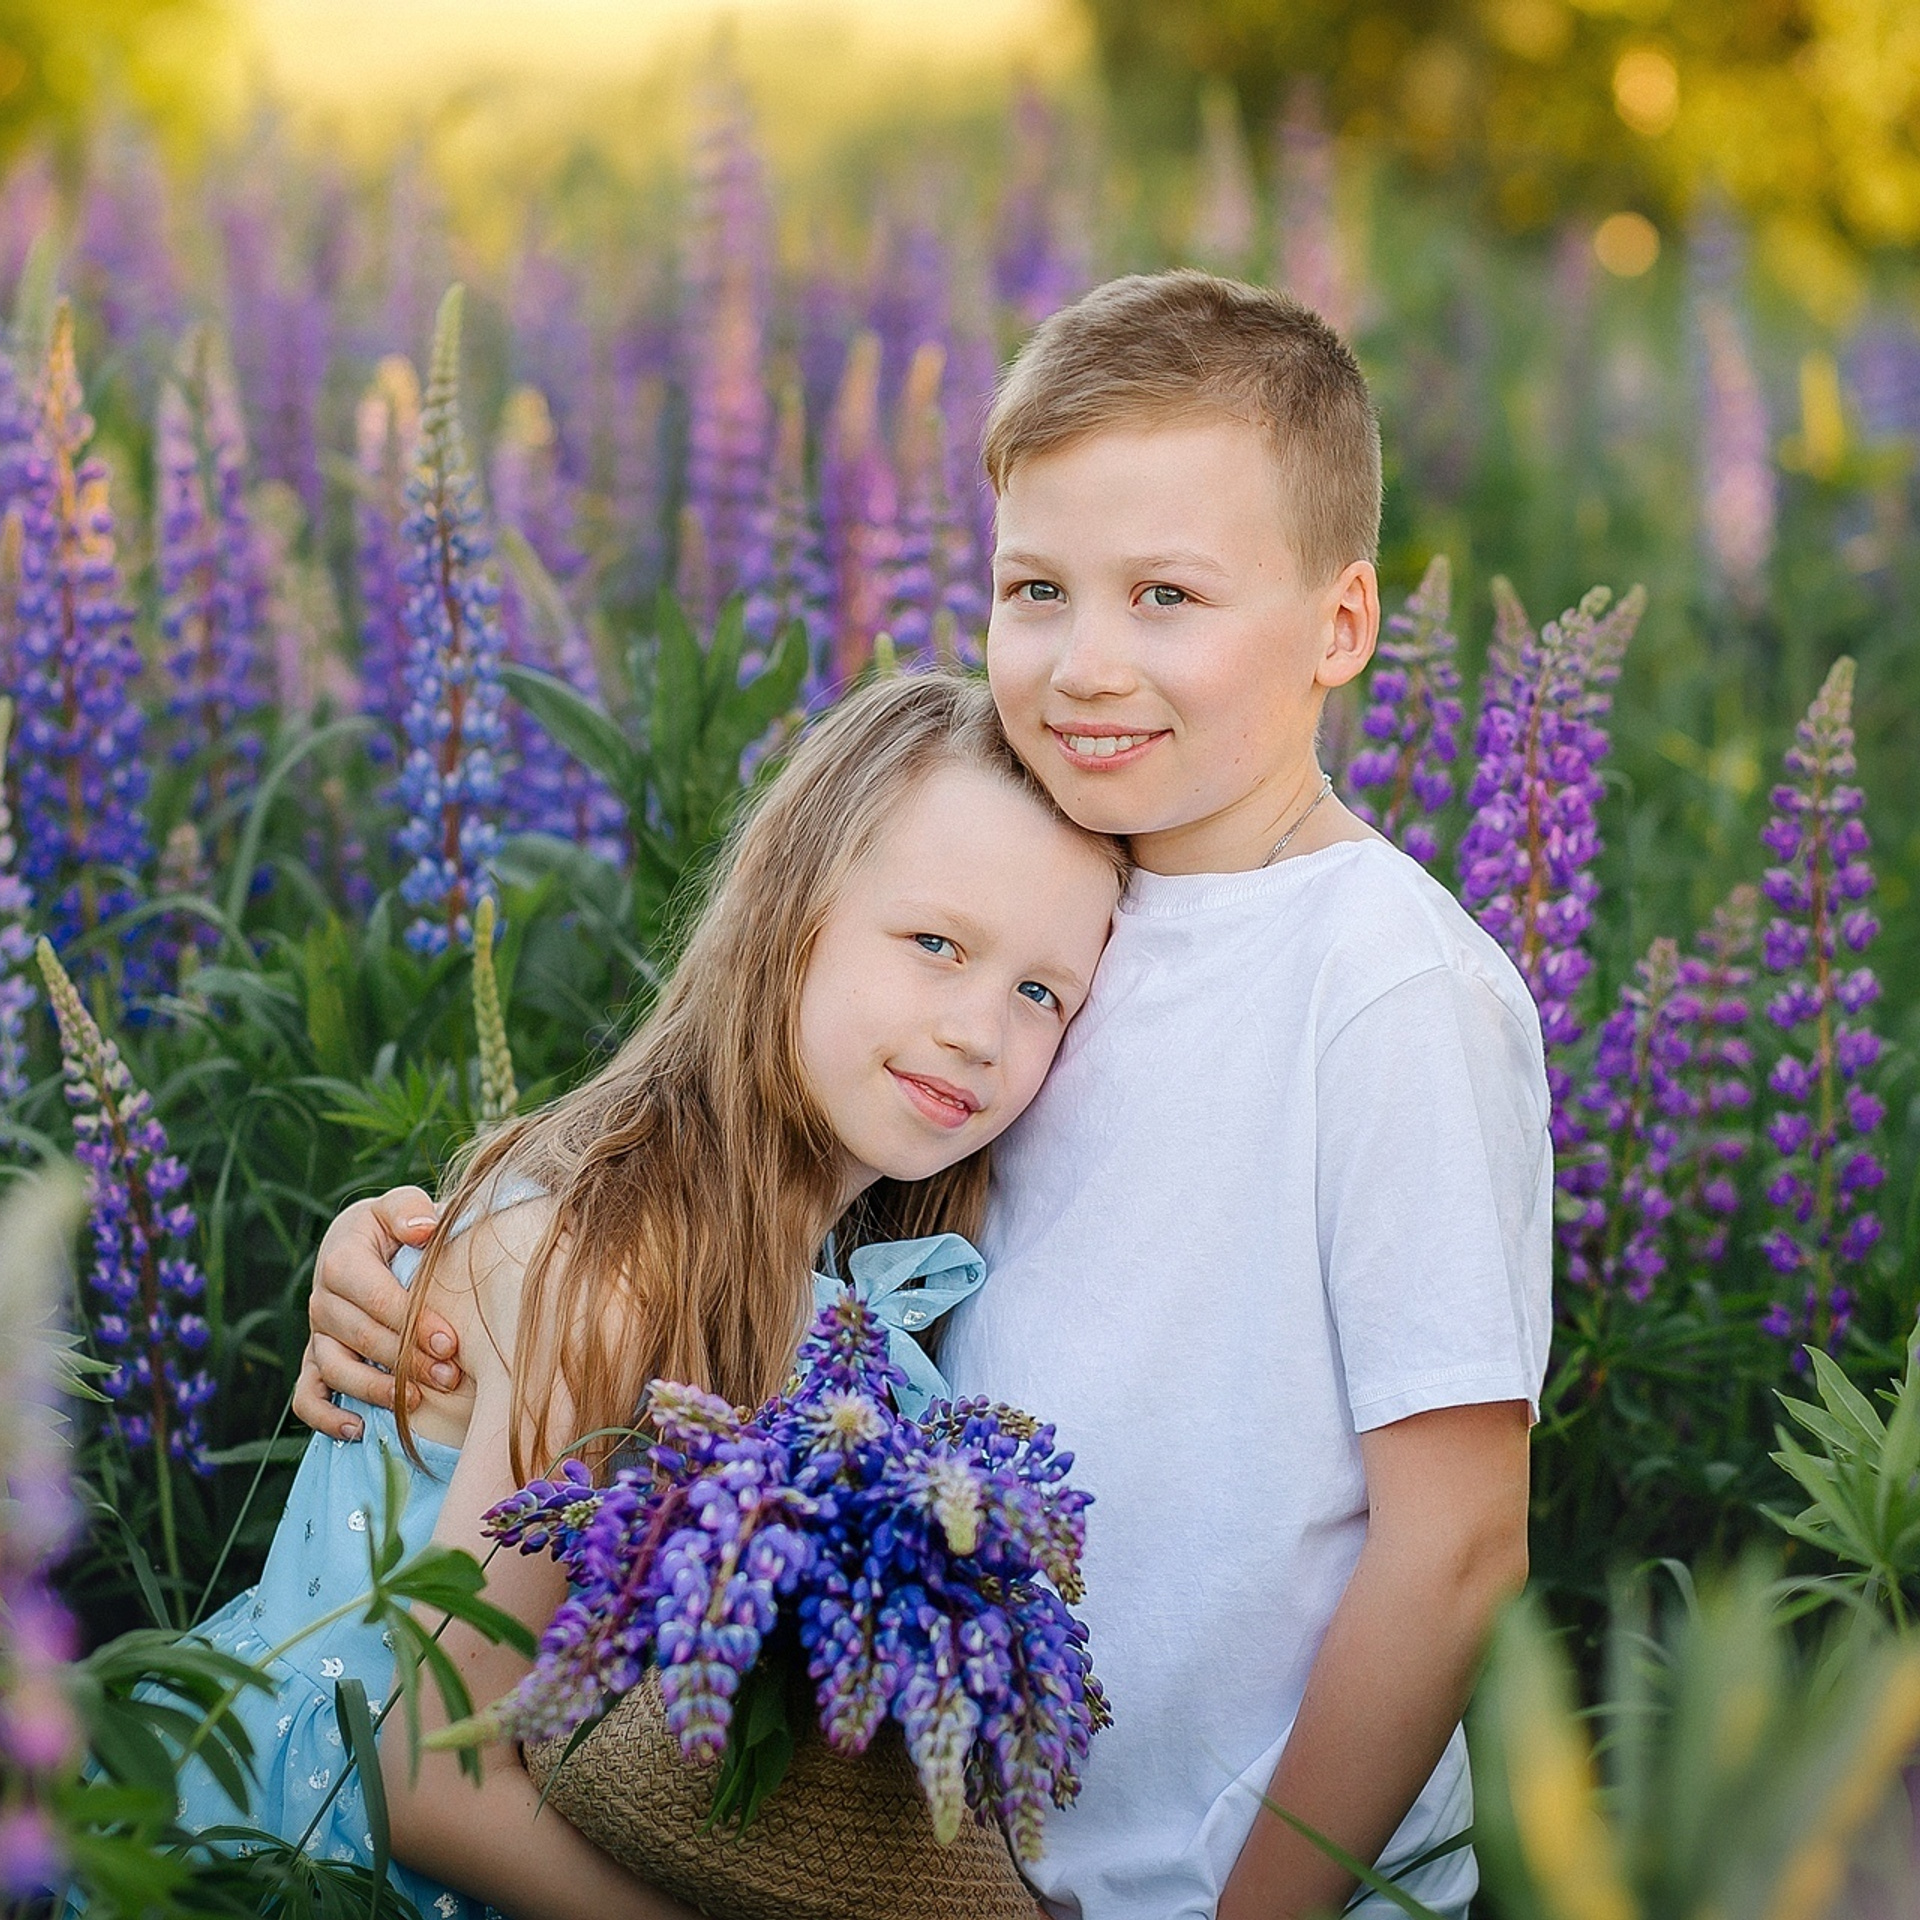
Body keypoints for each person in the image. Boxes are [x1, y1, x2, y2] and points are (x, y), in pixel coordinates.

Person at [301, 270, 1551, 1920]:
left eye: (1167, 595)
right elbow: (746, 1198)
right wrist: (446, 1266)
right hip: (937, 1868)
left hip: (1230, 1886)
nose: (1091, 661)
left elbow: (1457, 1547)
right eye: (1038, 588)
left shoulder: (1386, 981)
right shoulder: (1043, 901)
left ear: (1341, 625)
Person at [179, 673, 1123, 1920]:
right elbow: (427, 1781)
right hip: (303, 1859)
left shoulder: (832, 1274)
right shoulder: (626, 1267)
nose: (978, 1033)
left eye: (1039, 992)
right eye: (936, 945)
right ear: (795, 921)